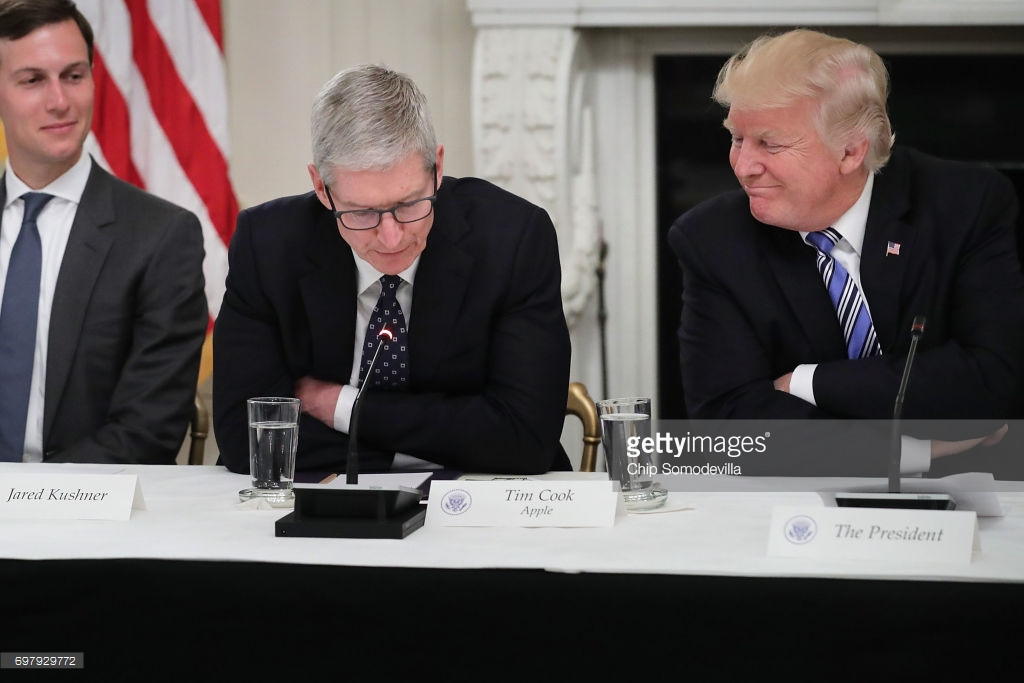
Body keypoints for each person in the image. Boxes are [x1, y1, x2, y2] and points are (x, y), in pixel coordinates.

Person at [667, 29, 1024, 476]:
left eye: (770, 144)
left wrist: (806, 381)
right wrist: (915, 453)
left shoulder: (965, 205)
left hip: (978, 492)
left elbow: (991, 383)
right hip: (797, 505)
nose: (744, 166)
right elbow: (728, 429)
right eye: (737, 139)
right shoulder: (711, 239)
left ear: (851, 151)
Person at [212, 64, 571, 475]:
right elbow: (252, 444)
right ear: (320, 188)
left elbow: (525, 440)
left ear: (437, 168)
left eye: (409, 205)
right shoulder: (268, 244)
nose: (391, 238)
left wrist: (343, 407)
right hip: (319, 510)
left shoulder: (513, 239)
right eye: (362, 212)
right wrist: (439, 445)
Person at [0, 0, 207, 464]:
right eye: (33, 80)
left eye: (73, 76)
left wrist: (25, 500)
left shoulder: (161, 237)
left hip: (83, 514)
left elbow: (148, 429)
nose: (60, 101)